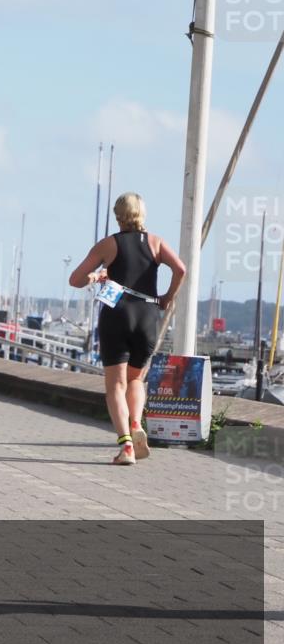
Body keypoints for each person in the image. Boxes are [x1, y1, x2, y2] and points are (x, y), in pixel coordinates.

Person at [69, 192, 185, 466]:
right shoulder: (156, 242)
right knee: (135, 379)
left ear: (117, 215)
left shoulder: (109, 244)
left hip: (117, 315)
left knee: (115, 386)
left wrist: (98, 276)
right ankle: (136, 422)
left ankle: (126, 448)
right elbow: (181, 268)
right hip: (147, 316)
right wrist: (167, 297)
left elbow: (75, 279)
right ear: (142, 214)